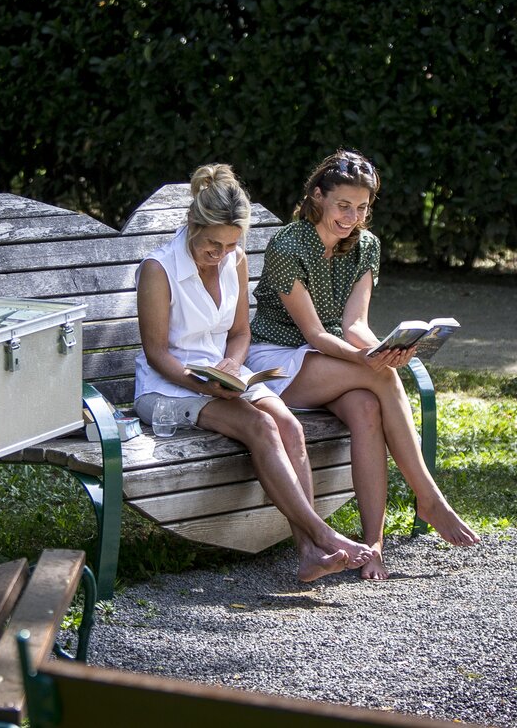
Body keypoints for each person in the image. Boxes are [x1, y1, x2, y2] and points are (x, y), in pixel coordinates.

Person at [134, 163, 376, 582]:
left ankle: (308, 554)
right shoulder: (158, 270)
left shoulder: (235, 259)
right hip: (169, 388)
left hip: (224, 378)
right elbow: (157, 355)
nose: (221, 254)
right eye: (213, 244)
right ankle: (322, 536)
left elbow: (241, 333)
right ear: (192, 224)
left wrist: (231, 364)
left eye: (230, 245)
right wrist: (202, 384)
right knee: (261, 427)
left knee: (289, 426)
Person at [246, 149, 480, 581]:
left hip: (331, 358)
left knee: (368, 408)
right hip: (277, 360)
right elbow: (314, 334)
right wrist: (367, 361)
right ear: (318, 197)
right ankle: (428, 496)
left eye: (361, 208)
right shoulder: (288, 245)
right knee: (382, 375)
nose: (351, 216)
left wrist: (386, 349)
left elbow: (355, 324)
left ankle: (373, 545)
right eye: (342, 205)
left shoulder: (366, 246)